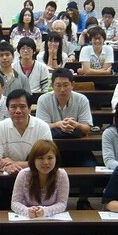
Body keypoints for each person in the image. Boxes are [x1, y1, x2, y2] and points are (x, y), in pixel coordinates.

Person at [36, 68, 95, 209]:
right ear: (53, 85)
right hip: (52, 149)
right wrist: (58, 124)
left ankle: (83, 200)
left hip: (78, 148)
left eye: (66, 85)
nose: (62, 89)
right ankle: (47, 200)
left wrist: (76, 124)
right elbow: (39, 125)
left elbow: (87, 128)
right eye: (58, 85)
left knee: (90, 166)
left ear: (72, 85)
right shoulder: (44, 99)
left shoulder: (81, 99)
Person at [11, 139, 69, 235]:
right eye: (40, 158)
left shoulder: (61, 175)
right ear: (33, 159)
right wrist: (27, 211)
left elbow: (62, 204)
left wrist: (45, 211)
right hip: (25, 226)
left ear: (56, 159)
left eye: (50, 158)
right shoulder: (24, 174)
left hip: (51, 229)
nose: (46, 162)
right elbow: (15, 202)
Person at [0, 89, 53, 174]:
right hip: (8, 176)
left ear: (29, 108)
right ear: (8, 109)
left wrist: (16, 164)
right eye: (13, 107)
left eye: (22, 106)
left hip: (35, 175)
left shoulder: (43, 127)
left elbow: (47, 160)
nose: (18, 111)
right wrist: (7, 168)